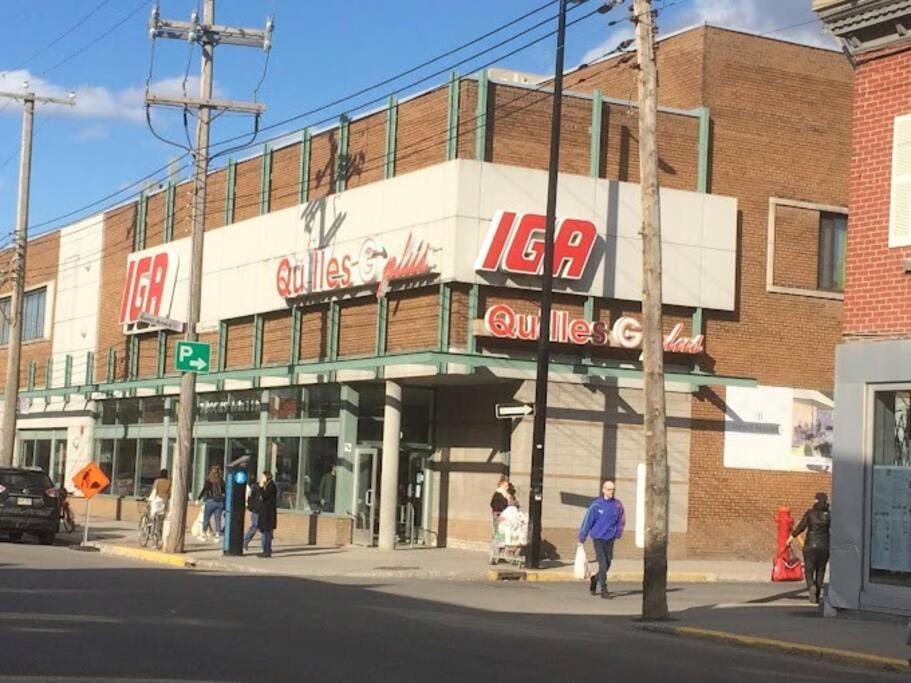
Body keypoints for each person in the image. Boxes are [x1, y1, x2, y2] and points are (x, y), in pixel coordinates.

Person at [578, 480, 626, 599]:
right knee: (603, 563)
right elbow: (588, 521)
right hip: (598, 538)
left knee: (608, 562)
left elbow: (622, 520)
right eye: (609, 489)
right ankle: (604, 589)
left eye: (613, 489)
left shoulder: (617, 504)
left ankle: (595, 578)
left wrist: (618, 533)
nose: (611, 492)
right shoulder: (596, 505)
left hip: (610, 538)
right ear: (603, 490)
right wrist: (582, 537)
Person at [792, 491, 831, 604]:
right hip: (824, 545)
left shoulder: (810, 513)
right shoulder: (829, 514)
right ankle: (817, 594)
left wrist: (791, 537)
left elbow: (801, 527)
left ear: (816, 500)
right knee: (821, 570)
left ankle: (811, 586)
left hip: (810, 545)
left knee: (809, 570)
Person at [196, 466, 226, 542]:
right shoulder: (221, 481)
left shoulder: (209, 481)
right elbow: (224, 492)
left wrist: (198, 499)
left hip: (210, 501)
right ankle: (217, 536)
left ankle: (203, 534)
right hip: (219, 502)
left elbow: (204, 490)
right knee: (217, 519)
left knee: (206, 518)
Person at [256, 471, 278, 558]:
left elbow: (265, 496)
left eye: (263, 476)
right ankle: (265, 550)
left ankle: (267, 551)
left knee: (267, 533)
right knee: (264, 532)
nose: (261, 478)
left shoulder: (271, 486)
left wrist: (261, 487)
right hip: (265, 512)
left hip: (268, 513)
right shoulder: (268, 485)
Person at [243, 478, 262, 552]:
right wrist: (251, 507)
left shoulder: (267, 487)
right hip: (256, 510)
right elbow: (250, 498)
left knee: (265, 530)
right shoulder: (255, 488)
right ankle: (245, 541)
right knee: (255, 526)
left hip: (263, 511)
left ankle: (265, 546)